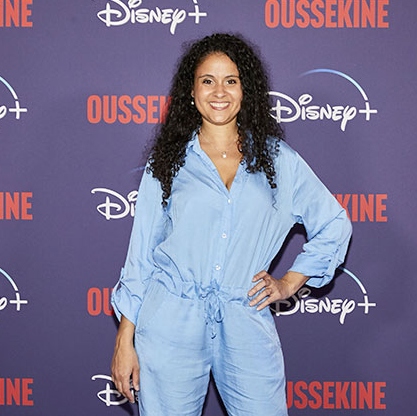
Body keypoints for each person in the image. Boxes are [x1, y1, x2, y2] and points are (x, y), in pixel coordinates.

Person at [110, 33, 352, 415]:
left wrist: (289, 282)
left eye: (231, 80)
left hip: (245, 317)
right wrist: (125, 339)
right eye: (207, 80)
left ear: (245, 90)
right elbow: (141, 257)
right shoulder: (168, 162)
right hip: (170, 321)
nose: (219, 92)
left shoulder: (279, 160)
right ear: (191, 92)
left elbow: (334, 223)